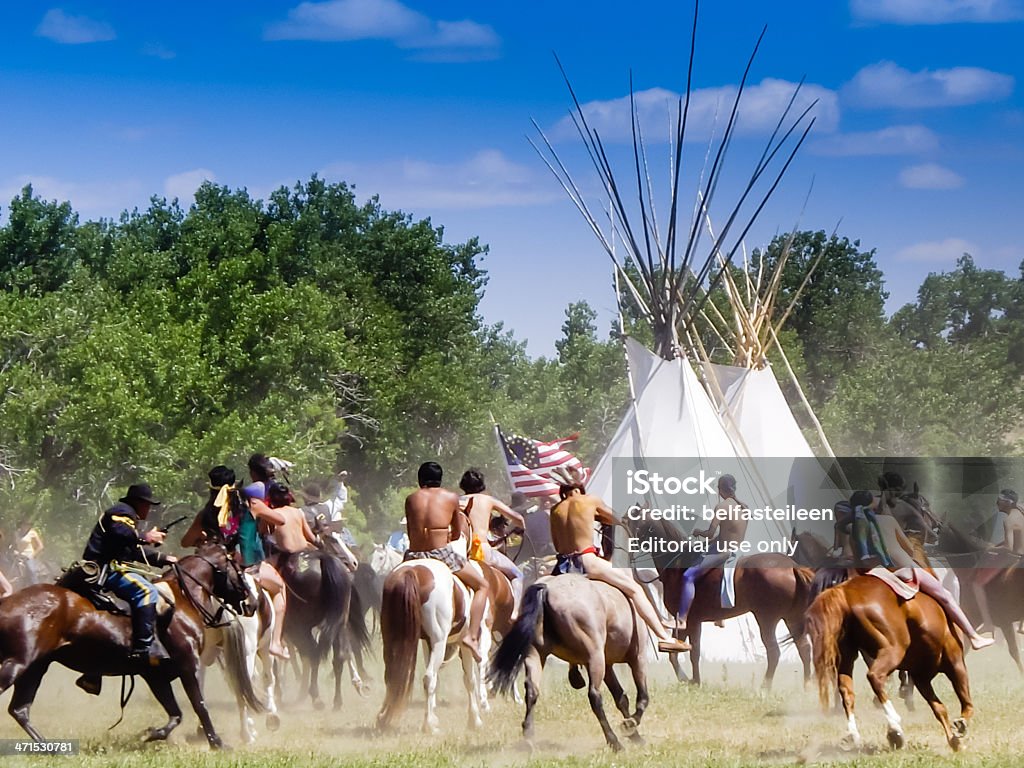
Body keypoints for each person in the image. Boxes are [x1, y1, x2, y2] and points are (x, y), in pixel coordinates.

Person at [549, 478, 690, 653]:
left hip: (561, 565)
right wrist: (598, 516)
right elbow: (617, 519)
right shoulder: (591, 500)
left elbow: (557, 544)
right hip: (587, 561)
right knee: (634, 589)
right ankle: (664, 637)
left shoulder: (554, 510)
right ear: (580, 489)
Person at [849, 490, 994, 651]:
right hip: (903, 570)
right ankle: (974, 637)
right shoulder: (887, 520)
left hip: (875, 574)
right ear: (871, 503)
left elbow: (858, 560)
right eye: (875, 497)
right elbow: (910, 550)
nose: (878, 499)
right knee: (945, 596)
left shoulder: (854, 528)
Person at [403, 461, 489, 661]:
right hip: (440, 554)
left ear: (420, 479)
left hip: (413, 555)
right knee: (482, 586)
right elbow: (458, 533)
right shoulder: (450, 498)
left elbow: (410, 531)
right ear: (440, 479)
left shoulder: (411, 499)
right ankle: (472, 636)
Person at [82, 484, 178, 663]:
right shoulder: (122, 511)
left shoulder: (128, 518)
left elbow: (133, 550)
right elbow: (122, 533)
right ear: (138, 502)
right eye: (147, 504)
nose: (149, 509)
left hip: (110, 567)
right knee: (148, 591)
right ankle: (143, 649)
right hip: (106, 569)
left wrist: (163, 558)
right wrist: (146, 537)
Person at [672, 474, 748, 632]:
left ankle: (682, 619)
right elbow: (729, 532)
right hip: (736, 549)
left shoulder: (722, 507)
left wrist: (699, 532)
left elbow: (710, 533)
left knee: (688, 576)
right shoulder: (744, 507)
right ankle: (719, 617)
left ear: (720, 489)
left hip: (722, 551)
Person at [458, 469, 526, 615]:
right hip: (483, 551)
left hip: (461, 552)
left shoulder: (457, 501)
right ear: (482, 484)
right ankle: (514, 613)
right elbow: (518, 518)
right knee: (518, 575)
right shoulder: (488, 500)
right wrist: (521, 527)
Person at [971, 489, 1024, 636]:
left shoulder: (1008, 520)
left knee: (977, 584)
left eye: (999, 500)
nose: (997, 502)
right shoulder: (1021, 514)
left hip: (1013, 558)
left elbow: (1009, 547)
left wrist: (990, 549)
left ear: (1008, 502)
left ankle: (987, 623)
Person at [14, 517, 45, 585]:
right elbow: (14, 544)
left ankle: (36, 587)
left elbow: (41, 546)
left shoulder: (32, 533)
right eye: (24, 524)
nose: (26, 526)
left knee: (31, 571)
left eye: (28, 525)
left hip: (28, 556)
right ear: (21, 525)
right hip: (18, 555)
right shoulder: (16, 533)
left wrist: (32, 555)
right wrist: (14, 550)